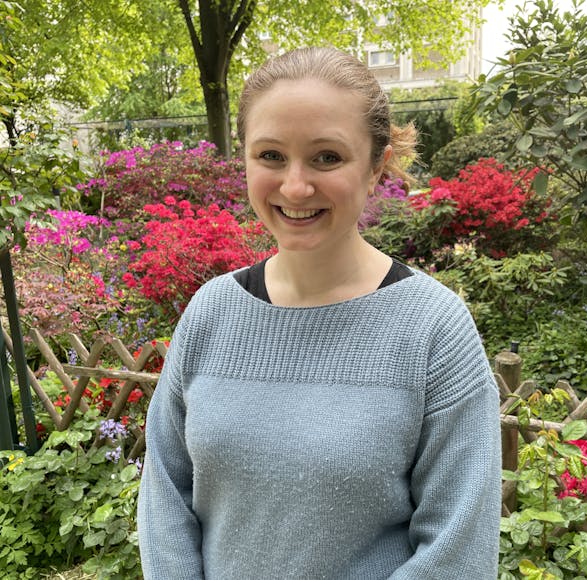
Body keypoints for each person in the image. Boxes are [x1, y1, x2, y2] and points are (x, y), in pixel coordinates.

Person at [137, 46, 501, 579]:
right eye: (271, 156)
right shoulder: (209, 314)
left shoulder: (433, 329)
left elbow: (458, 549)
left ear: (376, 167)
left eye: (327, 157)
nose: (295, 186)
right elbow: (165, 496)